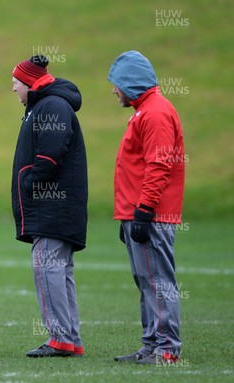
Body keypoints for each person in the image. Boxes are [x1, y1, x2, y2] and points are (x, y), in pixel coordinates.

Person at [108, 50, 185, 365]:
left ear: (131, 83)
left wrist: (143, 212)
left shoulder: (154, 113)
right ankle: (151, 344)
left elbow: (159, 166)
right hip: (137, 212)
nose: (114, 90)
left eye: (117, 84)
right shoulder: (144, 110)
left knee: (158, 282)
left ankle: (166, 349)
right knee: (146, 282)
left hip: (150, 214)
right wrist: (129, 214)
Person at [10, 55, 88, 358]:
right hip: (56, 207)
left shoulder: (52, 105)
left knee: (47, 267)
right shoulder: (44, 105)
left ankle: (60, 338)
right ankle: (70, 338)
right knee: (59, 270)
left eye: (16, 82)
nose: (13, 88)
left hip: (53, 206)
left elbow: (50, 155)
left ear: (30, 83)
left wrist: (31, 182)